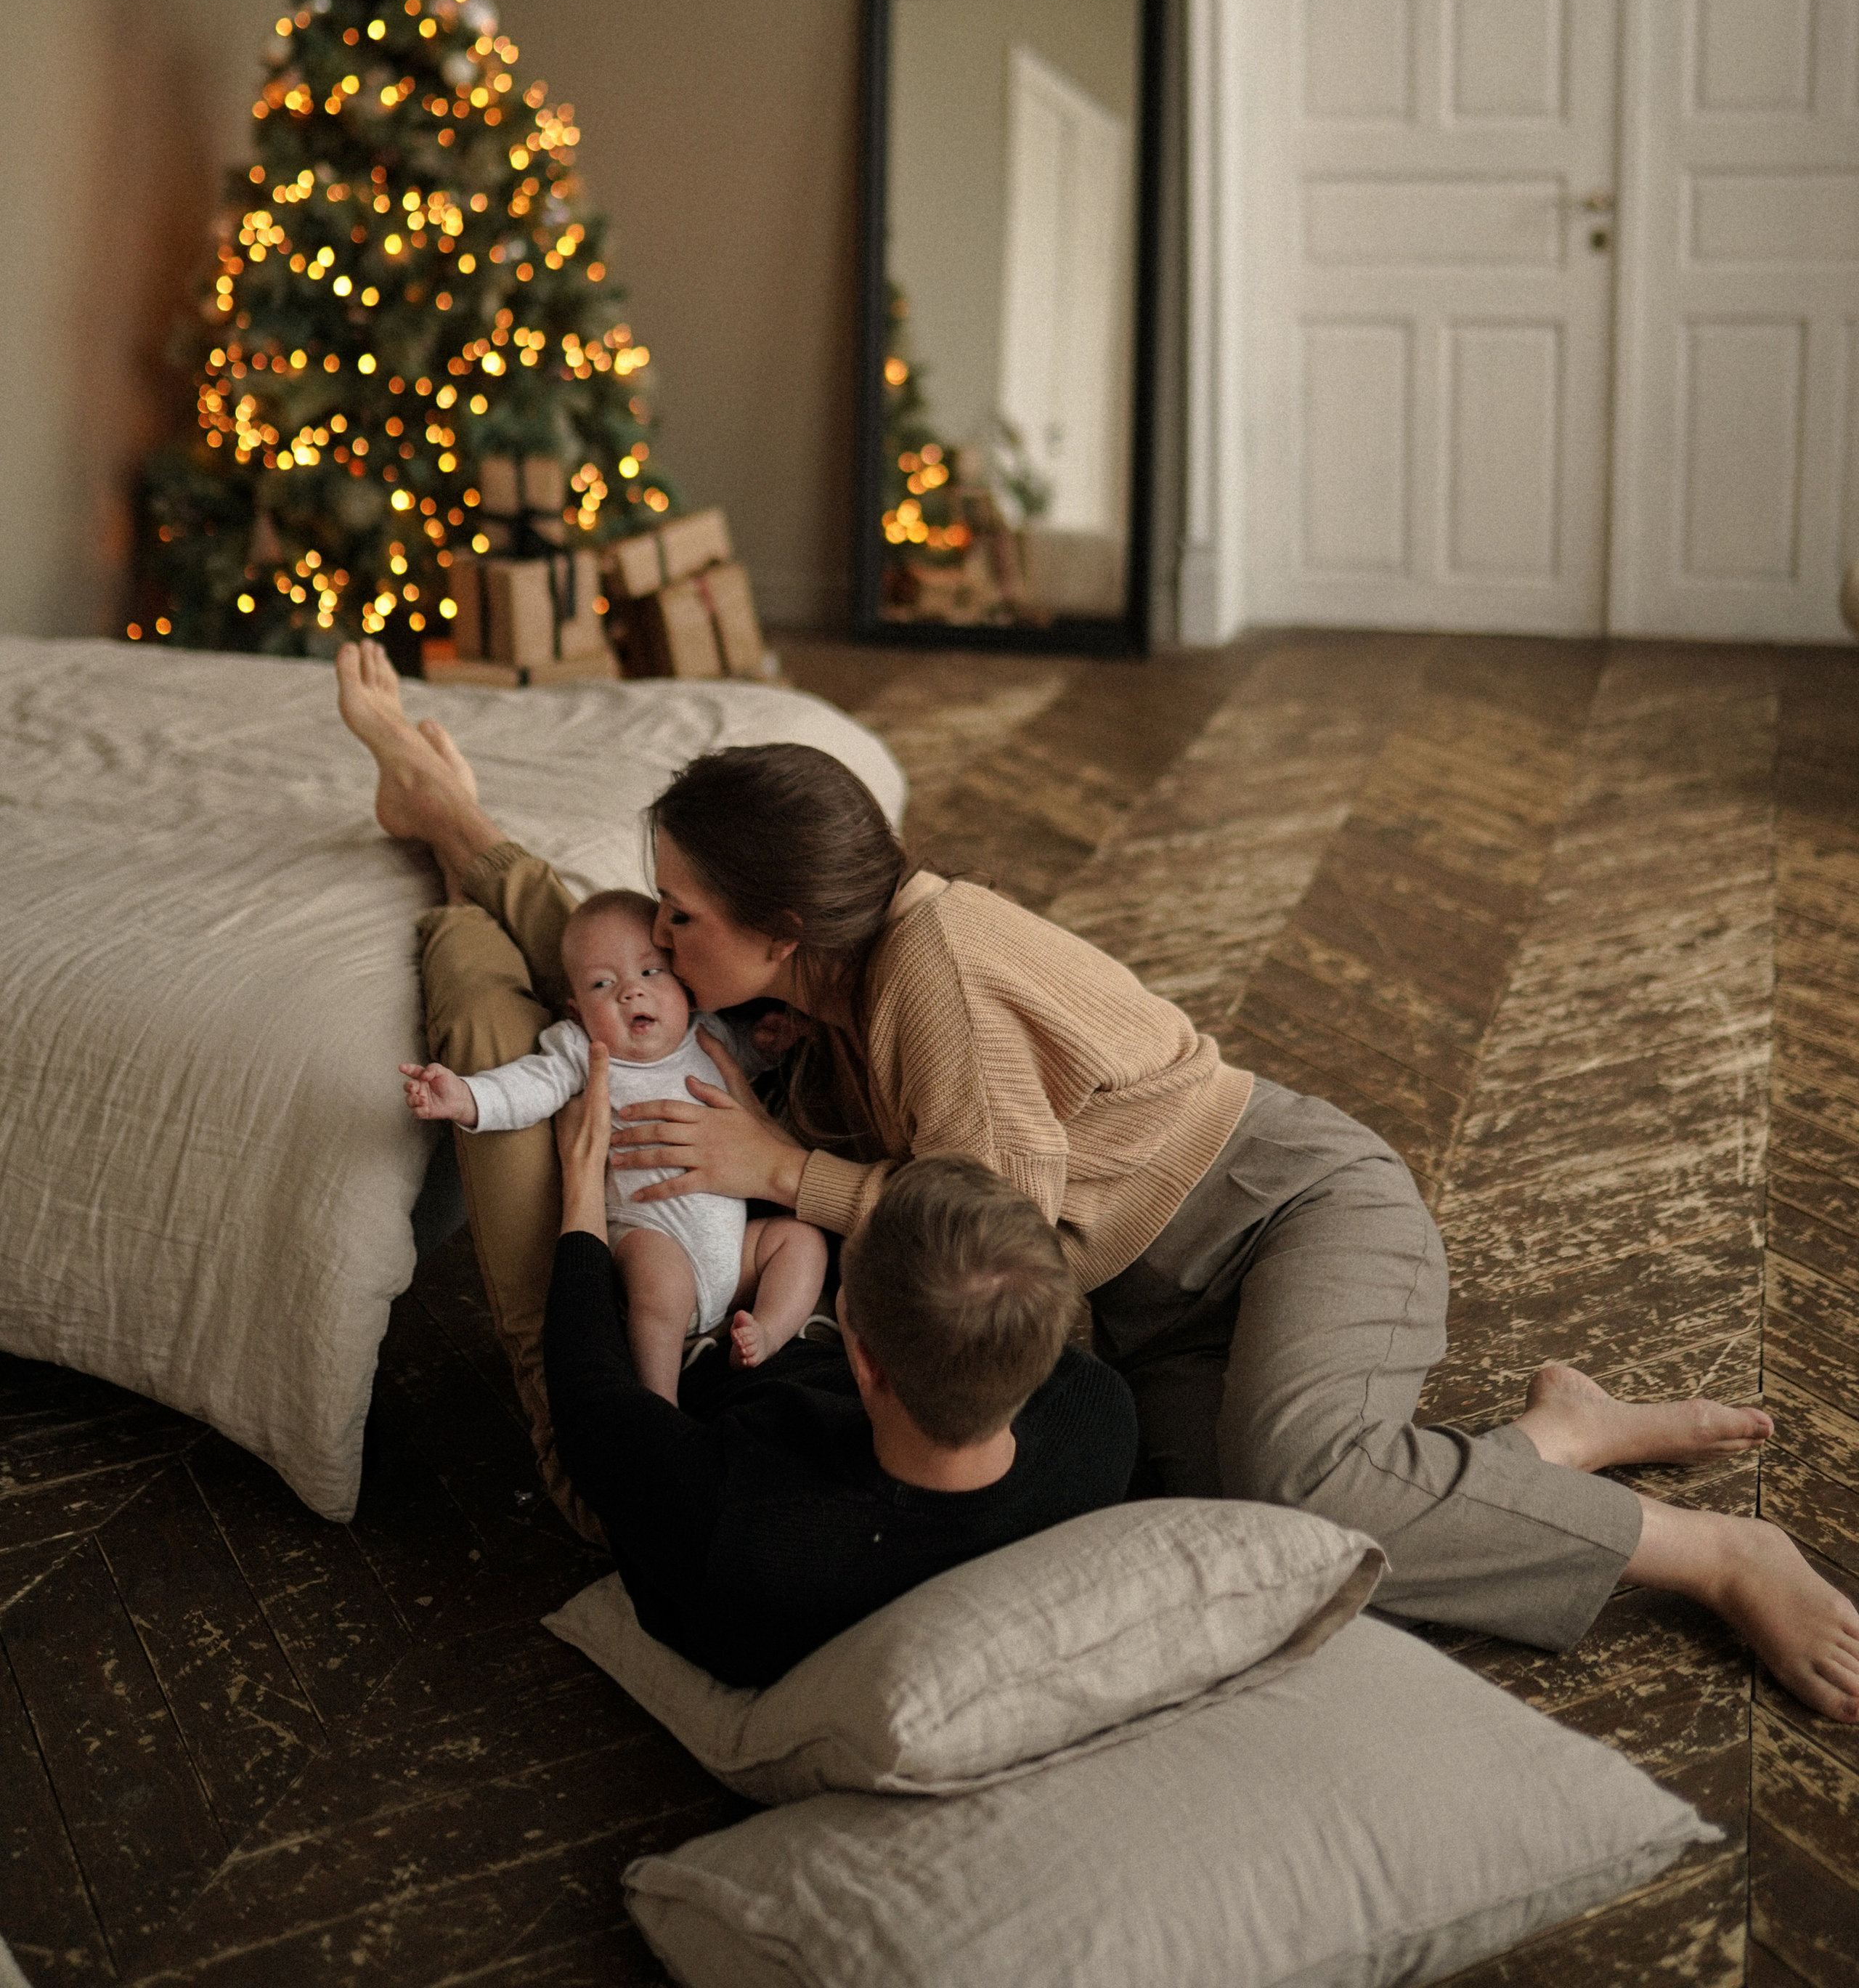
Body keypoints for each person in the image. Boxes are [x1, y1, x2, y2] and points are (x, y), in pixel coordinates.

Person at [337, 639, 1859, 1724]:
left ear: (781, 922)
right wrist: (456, 828)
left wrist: (785, 1167)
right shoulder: (777, 984)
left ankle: (1716, 1555)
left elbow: (995, 1247)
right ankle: (1546, 1442)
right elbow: (591, 946)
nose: (659, 948)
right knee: (1230, 1543)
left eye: (682, 918)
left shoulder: (928, 961)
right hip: (1140, 1311)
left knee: (1309, 1488)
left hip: (1281, 1214)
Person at [546, 1064, 1139, 1685]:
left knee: (504, 1037)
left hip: (665, 1358)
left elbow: (587, 1397)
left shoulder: (747, 1524)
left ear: (867, 1363)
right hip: (776, 1315)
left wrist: (583, 1172)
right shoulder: (1097, 1414)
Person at [403, 886, 828, 1393]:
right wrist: (466, 1096)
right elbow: (529, 1085)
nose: (632, 992)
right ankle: (658, 1399)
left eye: (651, 973)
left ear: (685, 984)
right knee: (660, 1285)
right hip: (653, 1233)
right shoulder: (581, 1050)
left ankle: (768, 1331)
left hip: (737, 1258)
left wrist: (770, 1043)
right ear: (577, 1011)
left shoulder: (708, 1033)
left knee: (801, 1240)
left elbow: (752, 1062)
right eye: (603, 984)